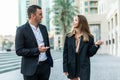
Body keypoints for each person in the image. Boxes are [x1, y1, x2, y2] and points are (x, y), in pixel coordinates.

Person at [15, 5, 53, 80]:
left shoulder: (44, 28)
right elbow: (19, 51)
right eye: (40, 14)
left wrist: (48, 63)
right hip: (30, 69)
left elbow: (47, 45)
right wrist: (37, 50)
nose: (42, 16)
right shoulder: (21, 30)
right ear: (33, 15)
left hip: (45, 67)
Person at [63, 15, 103, 80]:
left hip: (84, 65)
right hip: (72, 64)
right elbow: (65, 53)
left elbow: (90, 53)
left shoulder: (89, 37)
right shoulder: (68, 36)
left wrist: (96, 45)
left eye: (76, 20)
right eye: (74, 20)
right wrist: (65, 68)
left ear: (81, 22)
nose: (73, 22)